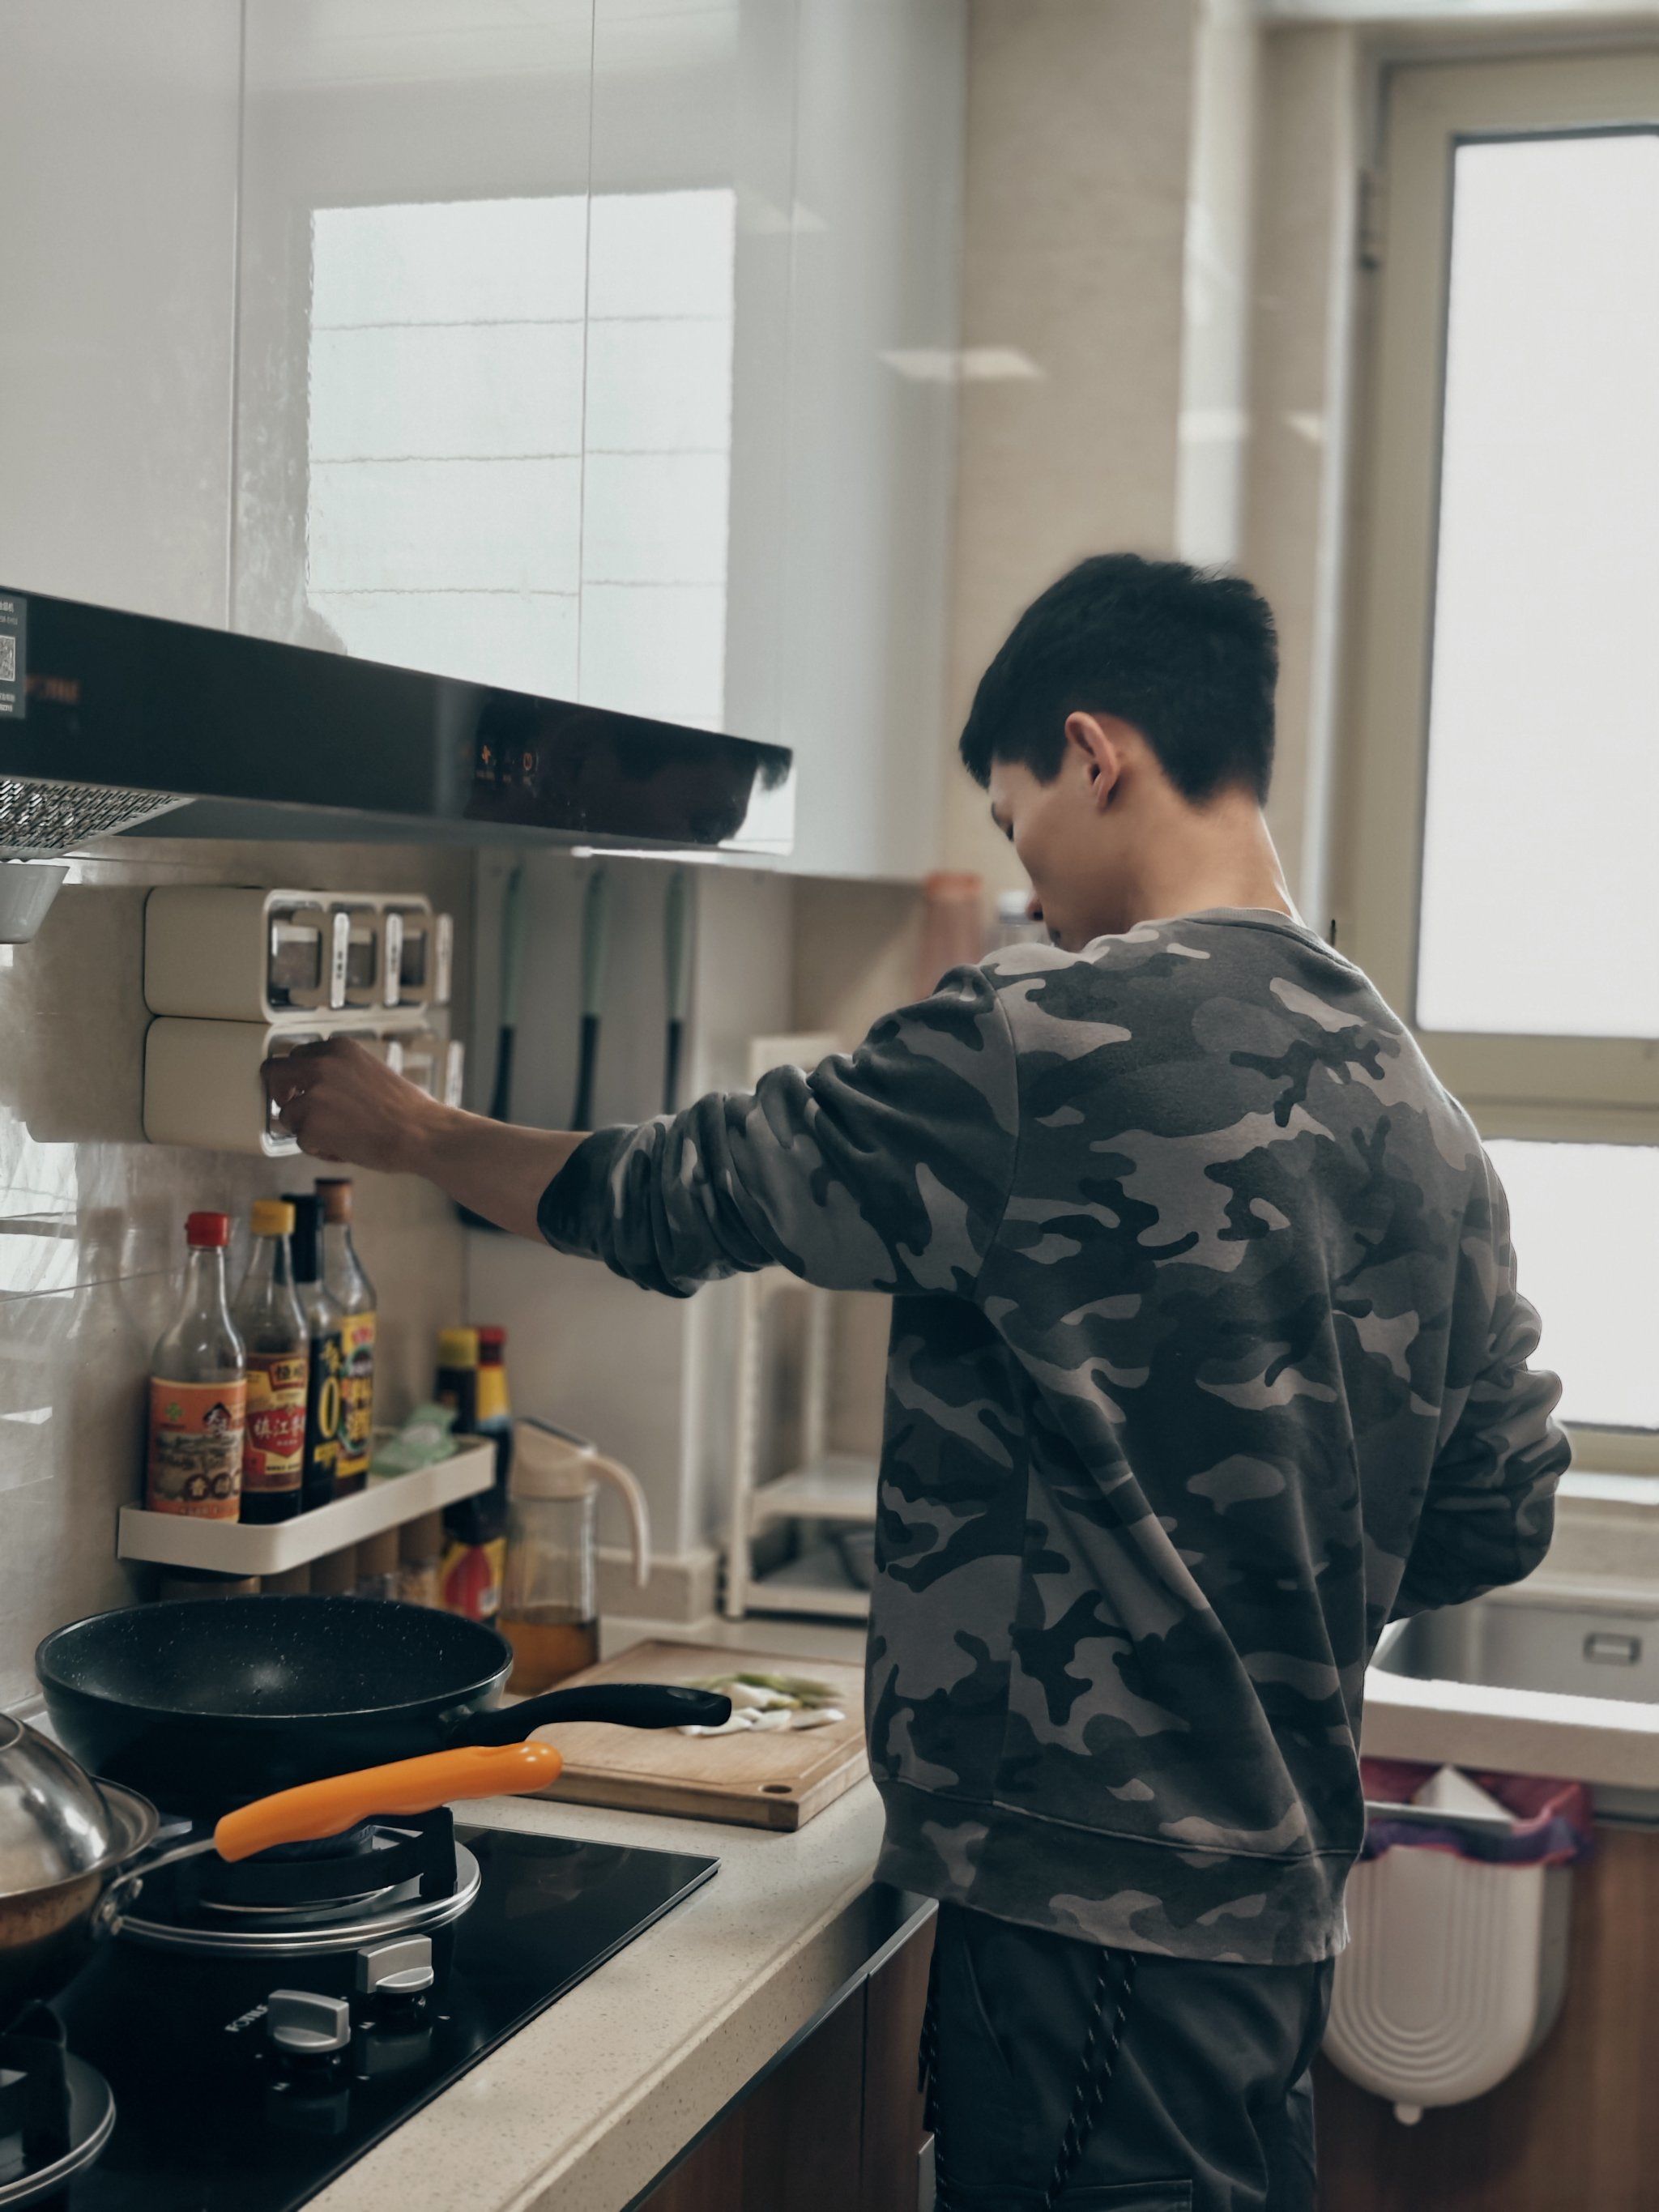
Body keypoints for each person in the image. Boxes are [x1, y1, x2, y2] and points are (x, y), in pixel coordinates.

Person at [263, 552, 1569, 2211]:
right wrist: (1259, 1587)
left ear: (1095, 753)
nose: (1030, 890)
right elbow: (1495, 1503)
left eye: (1020, 826)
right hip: (1268, 1904)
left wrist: (409, 1132)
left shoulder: (1042, 1039)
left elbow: (678, 1195)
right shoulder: (1416, 1102)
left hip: (1083, 1904)